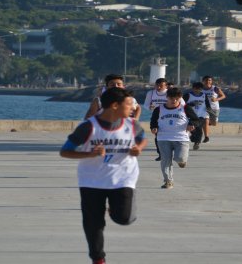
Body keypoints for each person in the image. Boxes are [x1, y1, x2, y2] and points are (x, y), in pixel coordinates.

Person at [60, 87, 148, 264]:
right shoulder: (88, 127)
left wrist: (138, 148)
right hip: (92, 180)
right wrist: (89, 154)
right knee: (94, 223)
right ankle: (98, 258)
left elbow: (142, 137)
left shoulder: (132, 125)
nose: (133, 108)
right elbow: (65, 151)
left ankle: (116, 207)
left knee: (123, 218)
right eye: (129, 104)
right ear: (115, 105)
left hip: (123, 178)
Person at [150, 87, 200, 189]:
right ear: (167, 97)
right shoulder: (159, 109)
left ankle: (182, 161)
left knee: (180, 158)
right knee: (165, 160)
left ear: (180, 98)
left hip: (181, 138)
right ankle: (168, 181)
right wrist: (153, 127)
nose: (174, 101)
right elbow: (153, 121)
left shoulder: (185, 108)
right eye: (172, 98)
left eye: (177, 99)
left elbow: (196, 120)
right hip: (163, 138)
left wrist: (191, 124)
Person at [143, 78, 170, 161]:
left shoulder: (170, 93)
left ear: (166, 86)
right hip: (156, 117)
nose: (158, 87)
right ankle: (161, 154)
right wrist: (149, 107)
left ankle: (170, 152)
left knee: (169, 136)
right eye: (157, 85)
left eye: (161, 86)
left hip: (169, 117)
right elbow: (145, 105)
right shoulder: (151, 93)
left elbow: (181, 104)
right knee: (158, 136)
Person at [183, 82, 209, 150]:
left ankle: (197, 143)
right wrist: (191, 104)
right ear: (193, 88)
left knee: (199, 129)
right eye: (196, 89)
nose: (197, 90)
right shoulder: (187, 95)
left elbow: (208, 105)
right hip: (191, 115)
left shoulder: (204, 95)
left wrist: (211, 114)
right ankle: (193, 137)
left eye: (199, 89)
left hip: (201, 115)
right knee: (193, 128)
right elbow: (182, 104)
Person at [200, 75, 226, 143]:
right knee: (205, 120)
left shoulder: (215, 88)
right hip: (204, 108)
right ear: (203, 81)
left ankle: (208, 123)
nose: (208, 82)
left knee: (214, 123)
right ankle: (206, 137)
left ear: (211, 81)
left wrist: (216, 99)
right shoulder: (200, 89)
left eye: (209, 80)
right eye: (206, 80)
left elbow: (223, 96)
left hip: (214, 108)